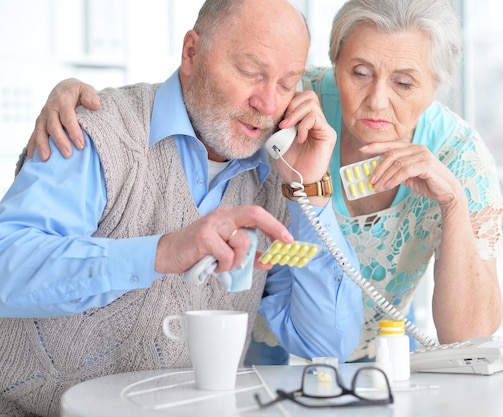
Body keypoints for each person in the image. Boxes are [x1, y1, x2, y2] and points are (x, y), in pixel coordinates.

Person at [29, 0, 503, 365]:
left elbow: (470, 340)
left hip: (376, 357)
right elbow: (202, 95)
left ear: (437, 85)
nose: (377, 100)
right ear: (333, 67)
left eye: (405, 83)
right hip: (242, 354)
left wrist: (454, 206)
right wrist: (78, 98)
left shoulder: (457, 157)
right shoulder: (292, 105)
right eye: (359, 73)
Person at [0, 1, 364, 416]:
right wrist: (161, 253)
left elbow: (329, 341)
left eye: (286, 84)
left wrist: (309, 191)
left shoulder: (273, 177)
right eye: (251, 72)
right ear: (192, 52)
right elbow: (7, 261)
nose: (267, 104)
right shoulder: (96, 131)